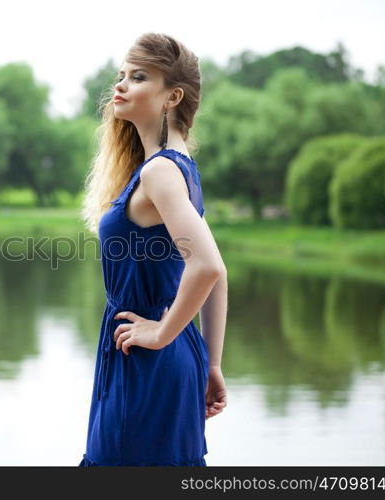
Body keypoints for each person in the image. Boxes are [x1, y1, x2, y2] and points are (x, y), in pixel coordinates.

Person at [78, 32, 228, 466]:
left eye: (138, 76)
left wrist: (161, 333)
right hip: (173, 355)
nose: (119, 86)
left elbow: (208, 267)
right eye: (121, 75)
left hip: (147, 357)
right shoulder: (181, 168)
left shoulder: (161, 171)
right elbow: (218, 276)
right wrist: (212, 364)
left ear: (172, 96)